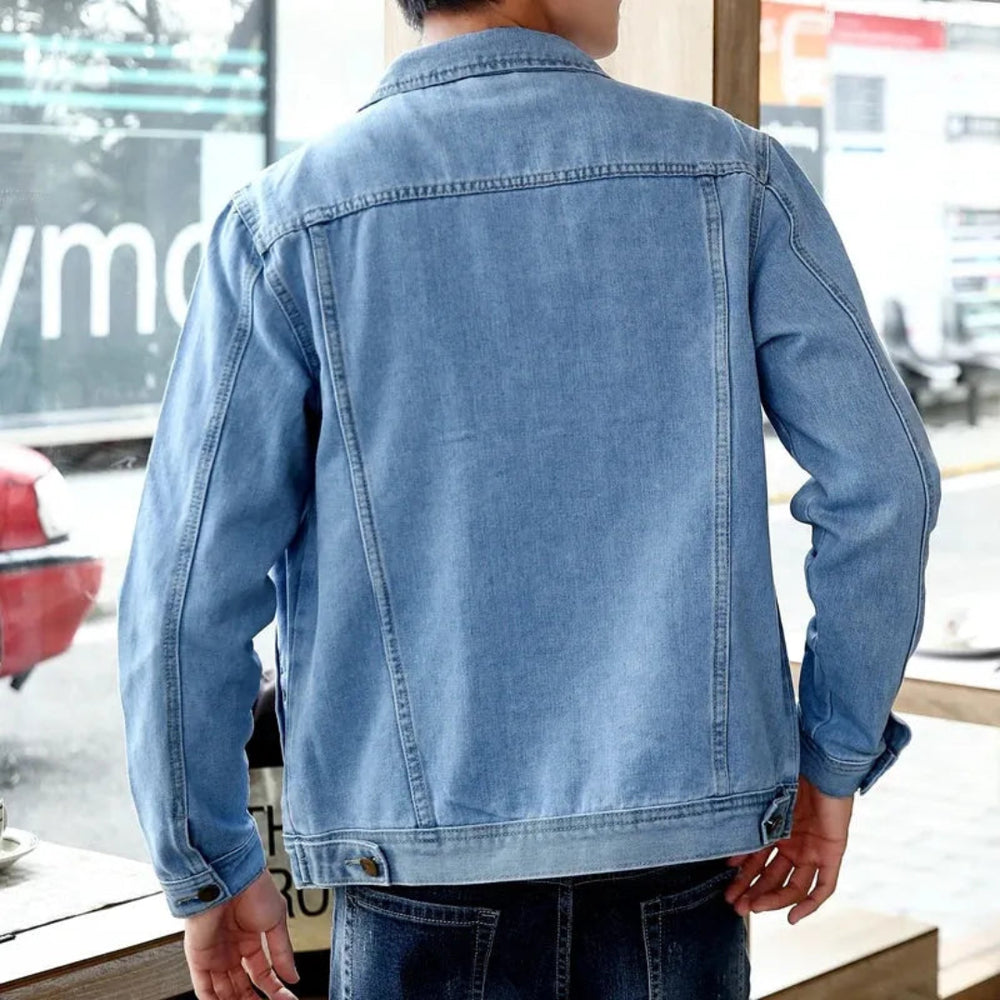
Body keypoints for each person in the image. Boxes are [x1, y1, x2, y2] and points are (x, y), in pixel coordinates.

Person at [116, 0, 942, 997]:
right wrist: (831, 757)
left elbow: (184, 589)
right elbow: (884, 485)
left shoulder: (286, 221)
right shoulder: (735, 179)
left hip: (414, 874)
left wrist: (208, 863)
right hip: (686, 872)